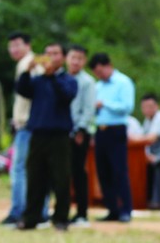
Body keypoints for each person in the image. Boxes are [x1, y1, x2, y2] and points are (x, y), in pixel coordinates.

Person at [15, 42, 77, 232]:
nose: (50, 57)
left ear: (63, 57)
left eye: (55, 53)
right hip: (38, 135)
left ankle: (60, 218)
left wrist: (53, 77)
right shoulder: (39, 80)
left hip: (59, 137)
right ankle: (30, 218)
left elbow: (67, 96)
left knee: (61, 179)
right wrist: (27, 71)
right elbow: (22, 90)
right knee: (35, 179)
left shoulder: (68, 80)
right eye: (47, 53)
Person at [1, 31, 48, 227]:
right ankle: (41, 212)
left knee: (20, 169)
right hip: (30, 124)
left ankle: (19, 211)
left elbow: (34, 94)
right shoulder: (32, 63)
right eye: (11, 46)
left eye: (18, 45)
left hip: (28, 125)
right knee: (35, 169)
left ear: (28, 45)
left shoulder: (28, 64)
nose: (14, 49)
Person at [89, 51, 135, 223]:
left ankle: (126, 210)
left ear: (109, 66)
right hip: (100, 130)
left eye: (101, 72)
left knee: (119, 171)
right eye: (96, 74)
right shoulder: (98, 86)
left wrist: (105, 104)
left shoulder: (123, 82)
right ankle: (112, 209)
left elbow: (127, 107)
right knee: (103, 172)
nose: (99, 76)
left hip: (116, 130)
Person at [66, 44, 95, 227]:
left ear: (84, 61)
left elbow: (89, 109)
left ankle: (82, 213)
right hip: (61, 132)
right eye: (73, 57)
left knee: (78, 172)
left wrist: (81, 130)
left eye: (80, 58)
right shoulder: (61, 78)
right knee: (61, 173)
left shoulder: (87, 82)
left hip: (78, 133)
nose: (76, 61)